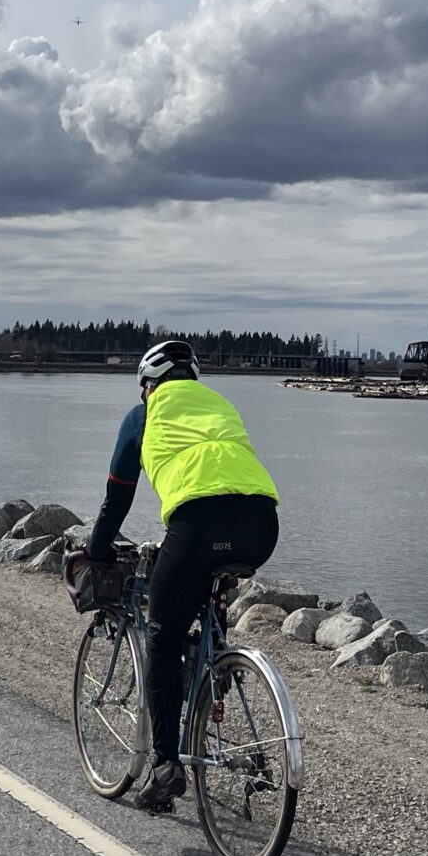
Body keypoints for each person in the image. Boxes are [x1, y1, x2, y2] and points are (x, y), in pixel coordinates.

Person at [82, 340, 281, 812]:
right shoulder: (220, 404)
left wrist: (96, 550)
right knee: (204, 593)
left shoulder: (142, 415)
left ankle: (165, 765)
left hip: (198, 527)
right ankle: (216, 668)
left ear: (147, 384)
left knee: (163, 639)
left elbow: (117, 498)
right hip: (261, 526)